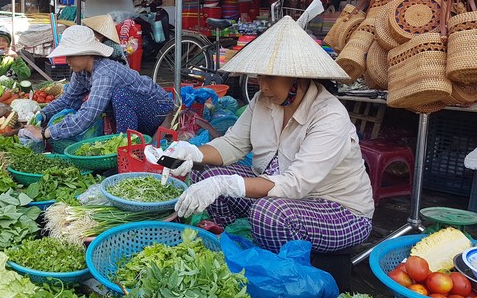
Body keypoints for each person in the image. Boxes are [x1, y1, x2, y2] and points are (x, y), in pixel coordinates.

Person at [160, 16, 375, 253]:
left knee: (267, 214)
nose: (263, 86)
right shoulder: (262, 101)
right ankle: (237, 249)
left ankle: (281, 268)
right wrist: (190, 152)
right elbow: (232, 145)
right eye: (260, 77)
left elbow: (295, 185)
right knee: (205, 176)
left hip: (338, 211)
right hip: (281, 197)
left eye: (270, 77)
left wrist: (225, 184)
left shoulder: (328, 116)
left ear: (298, 77)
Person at [21, 25, 173, 143]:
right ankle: (123, 143)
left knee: (120, 95)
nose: (67, 61)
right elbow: (68, 99)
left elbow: (89, 113)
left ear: (86, 53)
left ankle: (126, 147)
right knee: (96, 100)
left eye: (70, 56)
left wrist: (45, 133)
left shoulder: (104, 72)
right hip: (136, 113)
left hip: (158, 111)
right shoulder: (81, 72)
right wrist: (43, 114)